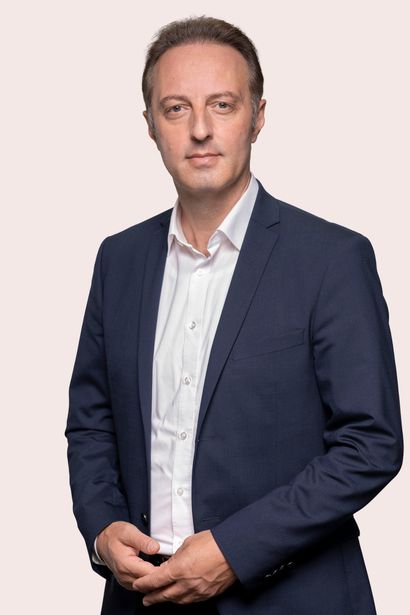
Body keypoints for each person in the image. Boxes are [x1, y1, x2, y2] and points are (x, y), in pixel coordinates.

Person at [65, 15, 403, 615]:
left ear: (258, 116)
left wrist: (235, 550)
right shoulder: (119, 260)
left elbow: (369, 444)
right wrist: (102, 528)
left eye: (222, 104)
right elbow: (92, 424)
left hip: (293, 600)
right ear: (150, 125)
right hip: (141, 599)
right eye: (176, 109)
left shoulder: (332, 259)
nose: (200, 129)